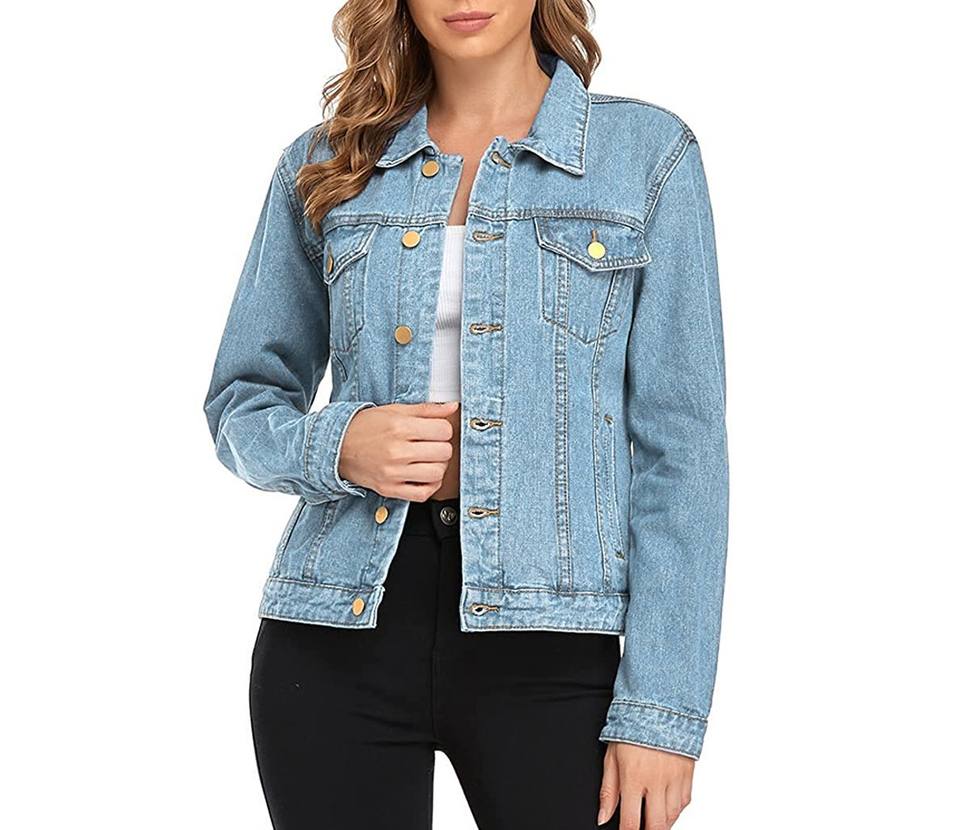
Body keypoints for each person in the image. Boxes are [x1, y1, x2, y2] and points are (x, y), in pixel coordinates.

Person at [202, 1, 729, 827]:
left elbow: (682, 450)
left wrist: (662, 711)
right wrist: (340, 444)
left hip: (555, 641)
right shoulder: (328, 161)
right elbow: (241, 399)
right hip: (336, 633)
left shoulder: (644, 157)